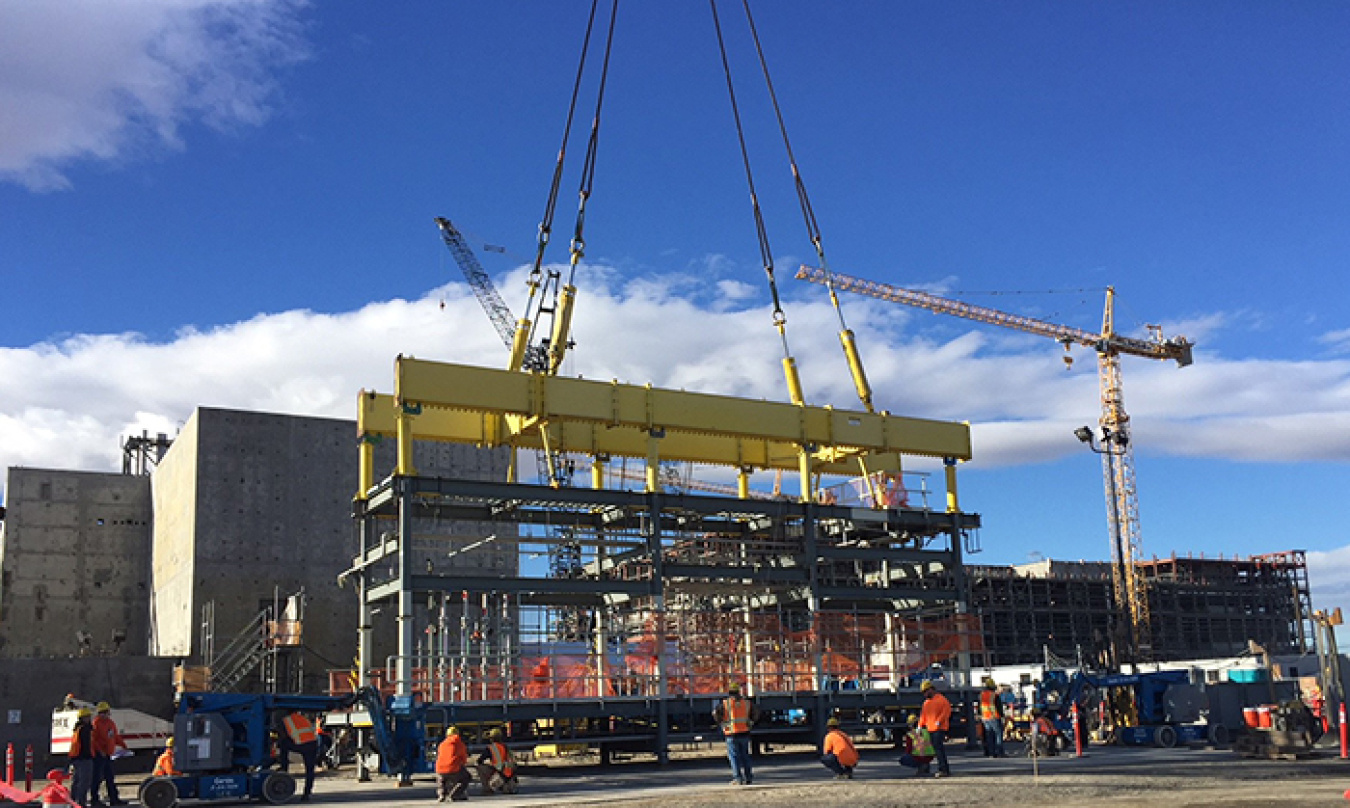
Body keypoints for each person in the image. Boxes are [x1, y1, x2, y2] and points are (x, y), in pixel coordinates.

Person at [712, 682, 759, 786]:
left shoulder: (725, 703)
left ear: (729, 692)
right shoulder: (747, 703)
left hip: (731, 734)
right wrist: (750, 723)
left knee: (734, 757)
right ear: (739, 691)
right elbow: (755, 713)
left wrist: (722, 724)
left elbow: (715, 714)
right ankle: (749, 777)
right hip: (745, 733)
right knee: (745, 756)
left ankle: (738, 778)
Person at [92, 701, 129, 806]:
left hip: (108, 755)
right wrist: (100, 751)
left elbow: (115, 736)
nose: (104, 714)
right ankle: (95, 800)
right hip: (99, 756)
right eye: (102, 712)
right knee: (97, 778)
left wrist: (123, 745)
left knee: (110, 777)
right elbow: (94, 740)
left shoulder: (110, 723)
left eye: (105, 712)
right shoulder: (96, 723)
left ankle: (114, 799)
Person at [277, 711, 320, 801]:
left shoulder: (285, 720)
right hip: (312, 744)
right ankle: (307, 793)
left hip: (301, 743)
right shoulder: (302, 718)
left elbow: (283, 736)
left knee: (283, 744)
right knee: (310, 770)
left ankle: (284, 770)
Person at [917, 680, 952, 778]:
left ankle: (943, 769)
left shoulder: (941, 700)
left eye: (925, 691)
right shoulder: (926, 703)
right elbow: (923, 716)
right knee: (935, 750)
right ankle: (939, 768)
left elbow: (946, 712)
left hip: (939, 728)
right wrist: (920, 726)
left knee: (939, 750)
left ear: (931, 689)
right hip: (930, 728)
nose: (924, 694)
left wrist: (939, 721)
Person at [475, 728, 518, 795]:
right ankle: (507, 786)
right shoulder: (506, 747)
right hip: (511, 775)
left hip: (500, 775)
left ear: (491, 738)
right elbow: (513, 762)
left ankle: (488, 789)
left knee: (479, 767)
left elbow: (479, 761)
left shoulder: (490, 748)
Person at [68, 708, 95, 808]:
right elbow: (87, 745)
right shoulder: (85, 729)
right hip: (84, 759)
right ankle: (80, 803)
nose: (89, 718)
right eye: (87, 717)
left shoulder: (77, 728)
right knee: (84, 781)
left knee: (76, 781)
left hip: (76, 758)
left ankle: (73, 801)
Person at [435, 726, 471, 802]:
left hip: (440, 769)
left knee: (442, 781)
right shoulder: (459, 744)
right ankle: (455, 795)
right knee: (466, 777)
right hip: (453, 768)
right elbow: (463, 758)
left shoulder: (442, 744)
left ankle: (442, 795)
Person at [978, 678, 1005, 758]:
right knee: (998, 735)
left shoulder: (982, 695)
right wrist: (1002, 716)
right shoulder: (994, 695)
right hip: (994, 717)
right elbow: (999, 707)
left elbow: (980, 706)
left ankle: (991, 753)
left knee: (989, 736)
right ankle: (999, 752)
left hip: (985, 717)